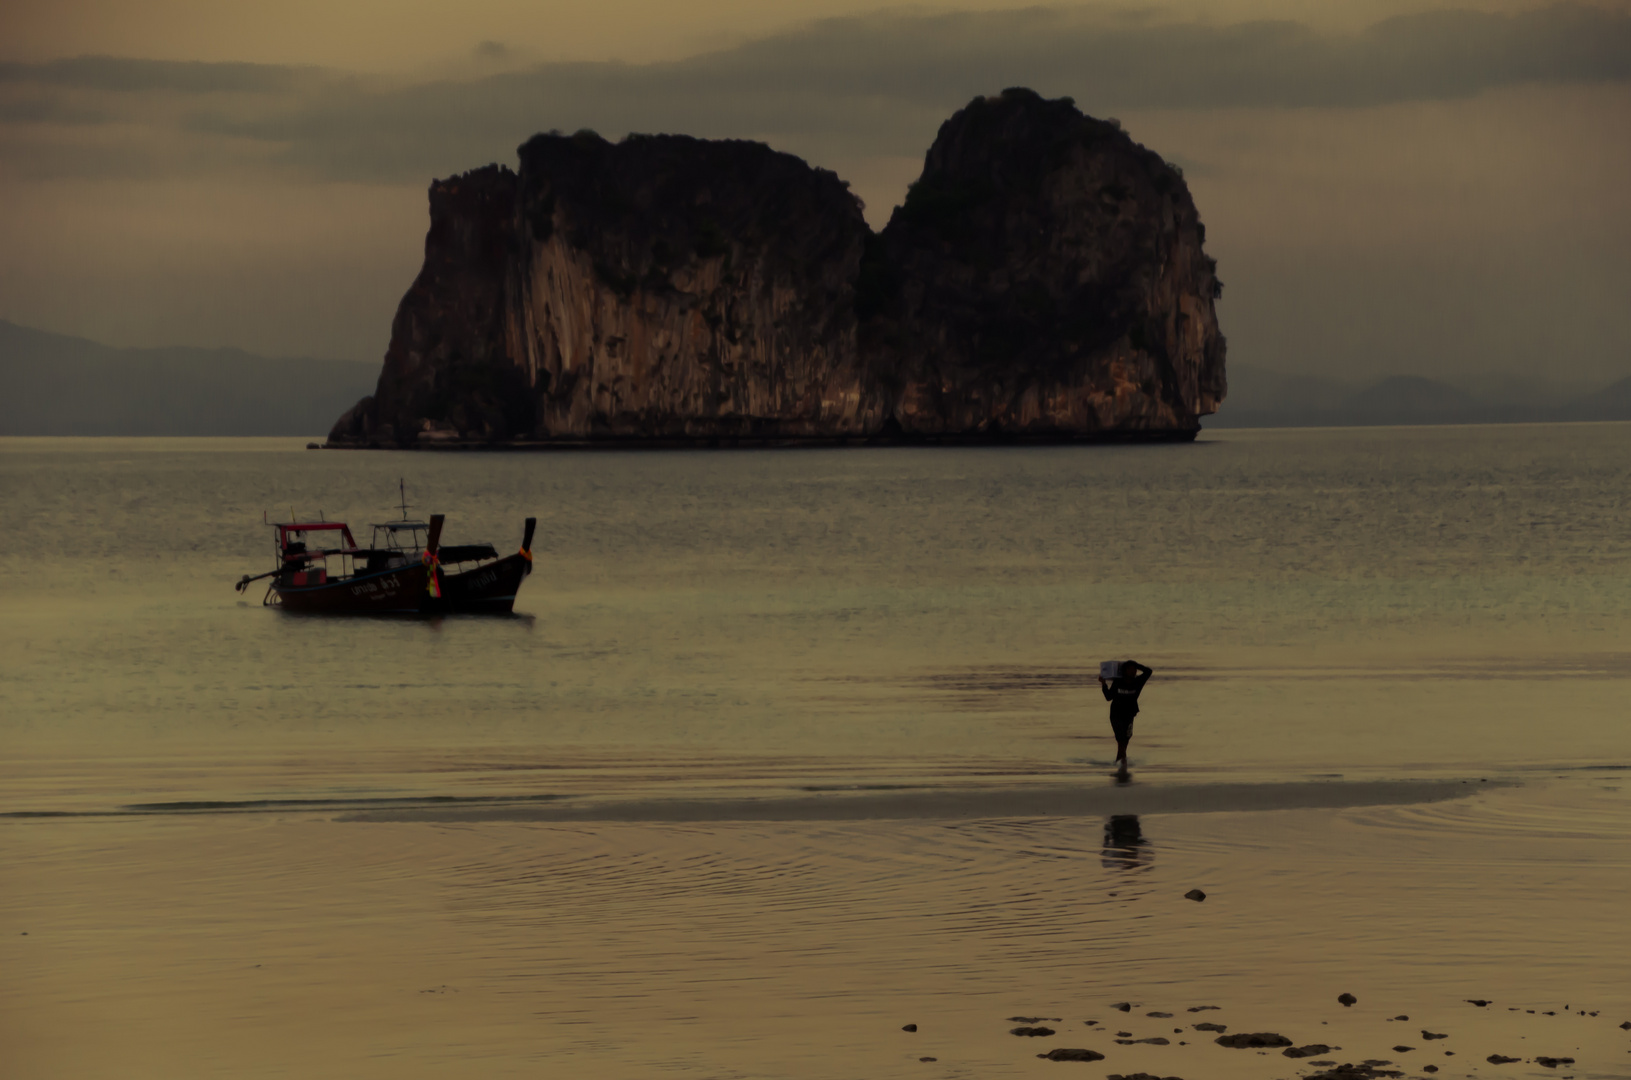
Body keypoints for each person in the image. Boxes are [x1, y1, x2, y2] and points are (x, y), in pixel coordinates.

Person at [1098, 659, 1153, 770]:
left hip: (1130, 714)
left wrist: (1136, 664)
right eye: (1130, 669)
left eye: (1134, 670)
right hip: (1116, 714)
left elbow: (1148, 671)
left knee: (1125, 741)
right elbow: (1108, 697)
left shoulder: (1138, 681)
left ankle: (1119, 763)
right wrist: (1103, 684)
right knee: (1121, 740)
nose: (1133, 671)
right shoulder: (1118, 682)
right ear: (1124, 671)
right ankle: (1123, 763)